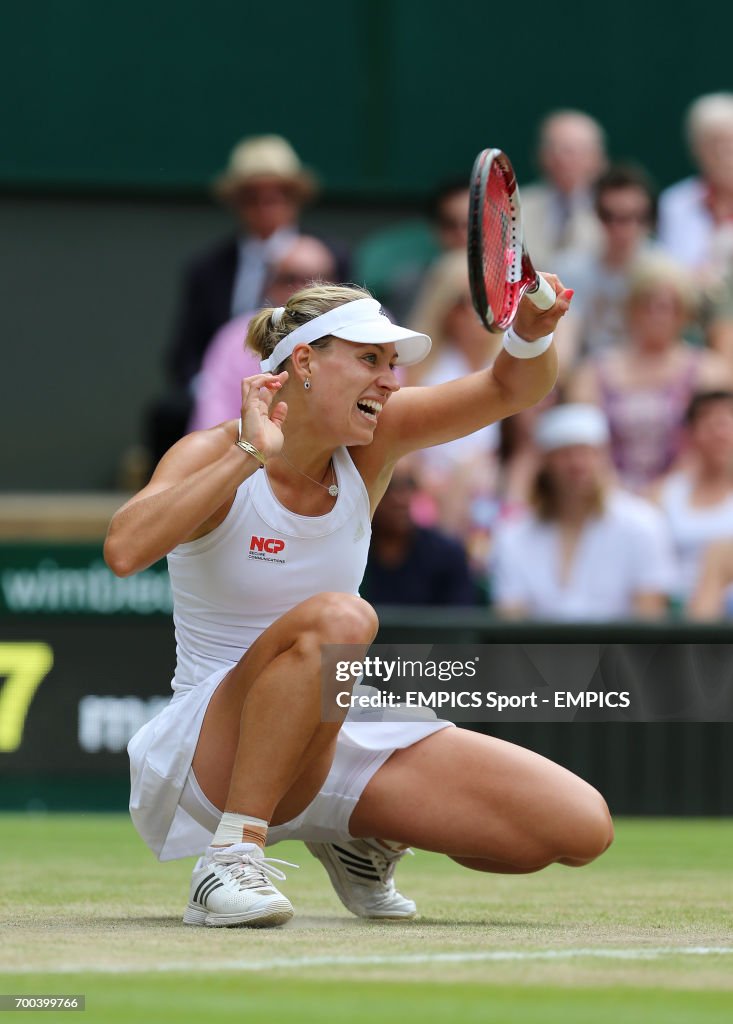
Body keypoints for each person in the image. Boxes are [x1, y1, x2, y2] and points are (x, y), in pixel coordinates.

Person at [105, 276, 612, 931]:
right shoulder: (211, 449)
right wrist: (248, 455)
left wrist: (533, 329)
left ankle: (355, 841)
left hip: (329, 727)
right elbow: (124, 550)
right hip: (212, 753)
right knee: (342, 619)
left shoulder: (375, 439)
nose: (390, 382)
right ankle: (229, 857)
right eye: (369, 360)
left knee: (577, 828)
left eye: (391, 364)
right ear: (306, 362)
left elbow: (509, 388)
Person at [146, 135, 348, 463]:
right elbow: (185, 351)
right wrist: (214, 388)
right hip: (228, 385)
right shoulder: (208, 267)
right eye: (253, 197)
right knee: (170, 414)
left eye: (277, 195)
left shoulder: (330, 255)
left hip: (311, 383)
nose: (266, 205)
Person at [491, 404, 676, 620]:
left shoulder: (644, 524)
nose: (577, 464)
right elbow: (512, 621)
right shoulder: (513, 534)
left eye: (588, 452)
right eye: (565, 454)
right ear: (544, 462)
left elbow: (647, 620)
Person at [568, 255, 731, 491]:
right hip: (608, 497)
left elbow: (716, 445)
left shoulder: (710, 372)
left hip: (687, 495)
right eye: (649, 304)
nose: (658, 314)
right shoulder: (592, 374)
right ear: (631, 309)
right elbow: (583, 443)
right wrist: (617, 497)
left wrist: (664, 494)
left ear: (684, 313)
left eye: (668, 306)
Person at [188, 236, 337, 431]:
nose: (303, 290)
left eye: (315, 279)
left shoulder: (367, 330)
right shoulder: (235, 338)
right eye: (289, 279)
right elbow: (211, 425)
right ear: (269, 285)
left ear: (335, 285)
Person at [554, 164, 659, 373]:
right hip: (586, 380)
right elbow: (563, 347)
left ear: (649, 218)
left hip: (651, 380)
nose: (622, 228)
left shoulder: (666, 273)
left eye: (634, 216)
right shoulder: (569, 270)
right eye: (610, 216)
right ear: (597, 215)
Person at [650, 391, 733, 604]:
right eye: (710, 423)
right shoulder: (662, 495)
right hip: (675, 610)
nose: (720, 432)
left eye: (726, 422)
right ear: (691, 433)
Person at [361, 457, 479, 607]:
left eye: (409, 485)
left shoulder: (448, 553)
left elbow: (461, 622)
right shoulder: (349, 553)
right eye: (388, 487)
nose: (400, 499)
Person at [657, 93, 733, 283]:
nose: (723, 153)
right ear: (696, 149)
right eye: (713, 143)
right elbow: (666, 270)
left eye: (730, 142)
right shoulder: (674, 203)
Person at [520, 110, 608, 271]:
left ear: (598, 158)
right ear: (543, 156)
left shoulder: (615, 212)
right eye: (559, 150)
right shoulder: (517, 206)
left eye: (578, 151)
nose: (565, 160)